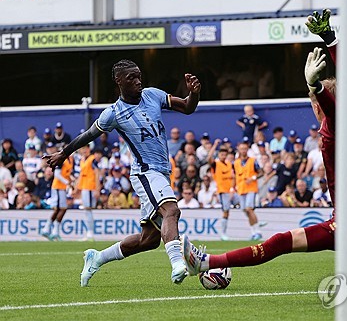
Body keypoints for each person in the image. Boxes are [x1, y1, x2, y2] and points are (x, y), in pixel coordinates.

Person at [182, 10, 347, 286]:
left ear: (317, 104)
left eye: (314, 102)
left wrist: (317, 87)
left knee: (281, 242)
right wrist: (330, 39)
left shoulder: (335, 125)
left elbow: (333, 108)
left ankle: (206, 262)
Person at [43, 59, 201, 286]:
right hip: (145, 172)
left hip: (162, 172)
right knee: (172, 210)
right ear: (119, 81)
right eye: (131, 78)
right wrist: (64, 153)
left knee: (149, 240)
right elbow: (88, 135)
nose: (138, 81)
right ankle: (178, 263)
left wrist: (194, 93)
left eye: (139, 76)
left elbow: (187, 107)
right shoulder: (113, 113)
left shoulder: (153, 95)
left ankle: (97, 257)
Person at [234, 141, 264, 240]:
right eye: (241, 149)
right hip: (241, 189)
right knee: (245, 210)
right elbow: (236, 176)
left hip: (251, 188)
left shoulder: (253, 160)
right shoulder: (236, 162)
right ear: (239, 149)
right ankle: (254, 231)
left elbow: (261, 172)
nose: (243, 151)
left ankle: (258, 230)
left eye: (245, 149)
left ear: (247, 150)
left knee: (249, 208)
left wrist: (253, 178)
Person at [41, 149, 74, 241]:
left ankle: (48, 230)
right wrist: (68, 182)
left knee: (60, 209)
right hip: (58, 186)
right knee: (61, 209)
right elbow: (57, 174)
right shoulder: (62, 159)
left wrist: (71, 180)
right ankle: (51, 230)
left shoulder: (70, 160)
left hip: (62, 187)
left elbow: (66, 173)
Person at [208, 140, 234, 240]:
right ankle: (223, 233)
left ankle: (255, 223)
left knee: (245, 206)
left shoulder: (229, 164)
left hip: (231, 191)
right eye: (221, 154)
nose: (223, 155)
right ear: (219, 154)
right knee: (226, 211)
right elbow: (209, 158)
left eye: (224, 154)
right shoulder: (216, 164)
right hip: (222, 191)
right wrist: (214, 145)